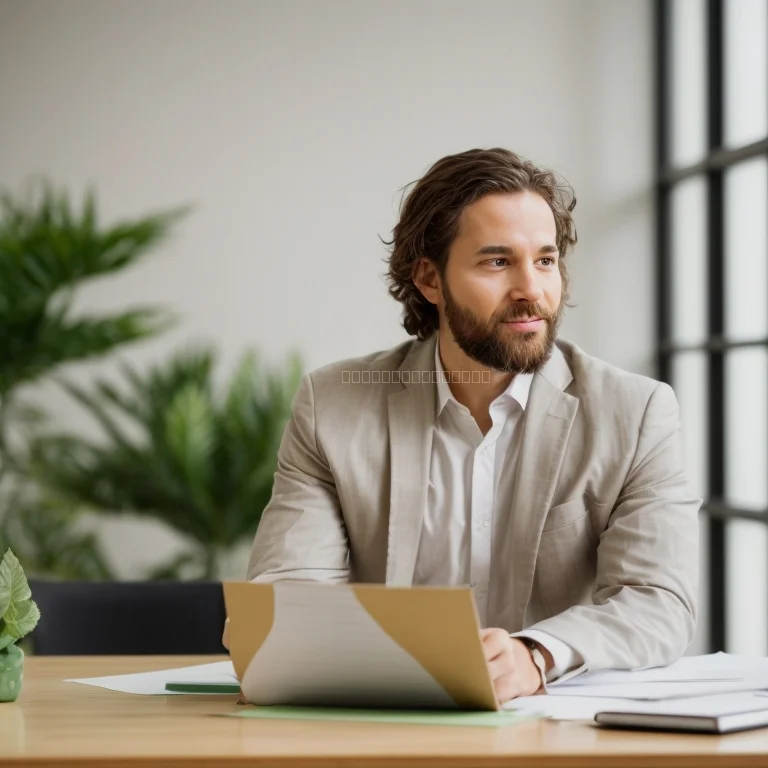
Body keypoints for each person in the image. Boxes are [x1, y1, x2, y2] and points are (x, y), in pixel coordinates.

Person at [225, 148, 700, 704]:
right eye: (497, 262)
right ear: (429, 278)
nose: (532, 289)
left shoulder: (636, 411)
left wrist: (535, 655)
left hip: (555, 729)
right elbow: (289, 595)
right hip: (379, 723)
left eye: (545, 260)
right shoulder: (332, 406)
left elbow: (658, 600)